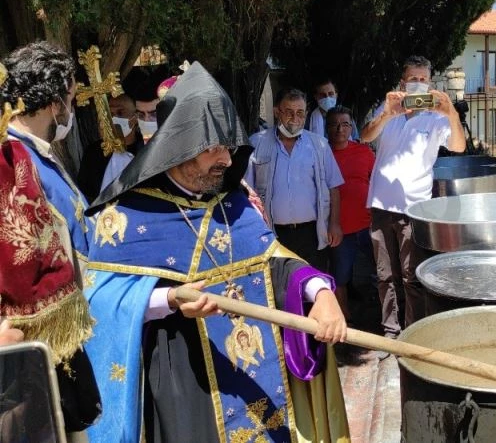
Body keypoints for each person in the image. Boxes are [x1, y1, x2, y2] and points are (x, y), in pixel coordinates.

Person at [83, 62, 349, 442]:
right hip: (187, 383)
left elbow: (275, 263)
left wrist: (319, 292)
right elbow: (100, 300)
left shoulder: (234, 201)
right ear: (178, 147)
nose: (225, 159)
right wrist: (168, 299)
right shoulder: (126, 216)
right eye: (212, 148)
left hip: (260, 378)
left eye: (227, 146)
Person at [0, 41, 101, 439]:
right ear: (54, 101)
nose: (70, 110)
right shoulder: (14, 160)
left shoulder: (39, 153)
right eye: (70, 99)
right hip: (35, 341)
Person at [361, 55, 466, 345]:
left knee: (412, 277)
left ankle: (413, 335)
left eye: (423, 79)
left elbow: (458, 146)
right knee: (385, 275)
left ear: (429, 84)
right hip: (381, 205)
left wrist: (451, 113)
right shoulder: (389, 109)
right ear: (403, 83)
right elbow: (366, 136)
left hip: (414, 209)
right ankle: (390, 332)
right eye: (413, 79)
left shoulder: (436, 119)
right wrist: (387, 114)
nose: (418, 84)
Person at [246, 88, 344, 272]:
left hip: (312, 234)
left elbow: (334, 188)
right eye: (289, 112)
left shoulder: (319, 145)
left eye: (300, 113)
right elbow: (247, 193)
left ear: (306, 113)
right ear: (277, 112)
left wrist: (334, 224)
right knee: (279, 284)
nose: (295, 118)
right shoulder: (257, 143)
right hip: (273, 233)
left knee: (314, 282)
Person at [326, 105, 377, 320]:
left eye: (345, 124)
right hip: (339, 229)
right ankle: (344, 322)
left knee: (382, 271)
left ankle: (383, 315)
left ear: (351, 127)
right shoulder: (321, 153)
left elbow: (377, 180)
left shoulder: (364, 152)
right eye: (334, 124)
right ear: (327, 127)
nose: (340, 129)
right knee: (340, 277)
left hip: (369, 225)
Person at [100, 94, 144, 191]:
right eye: (110, 114)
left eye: (120, 113)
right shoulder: (94, 152)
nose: (114, 119)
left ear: (135, 118)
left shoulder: (145, 151)